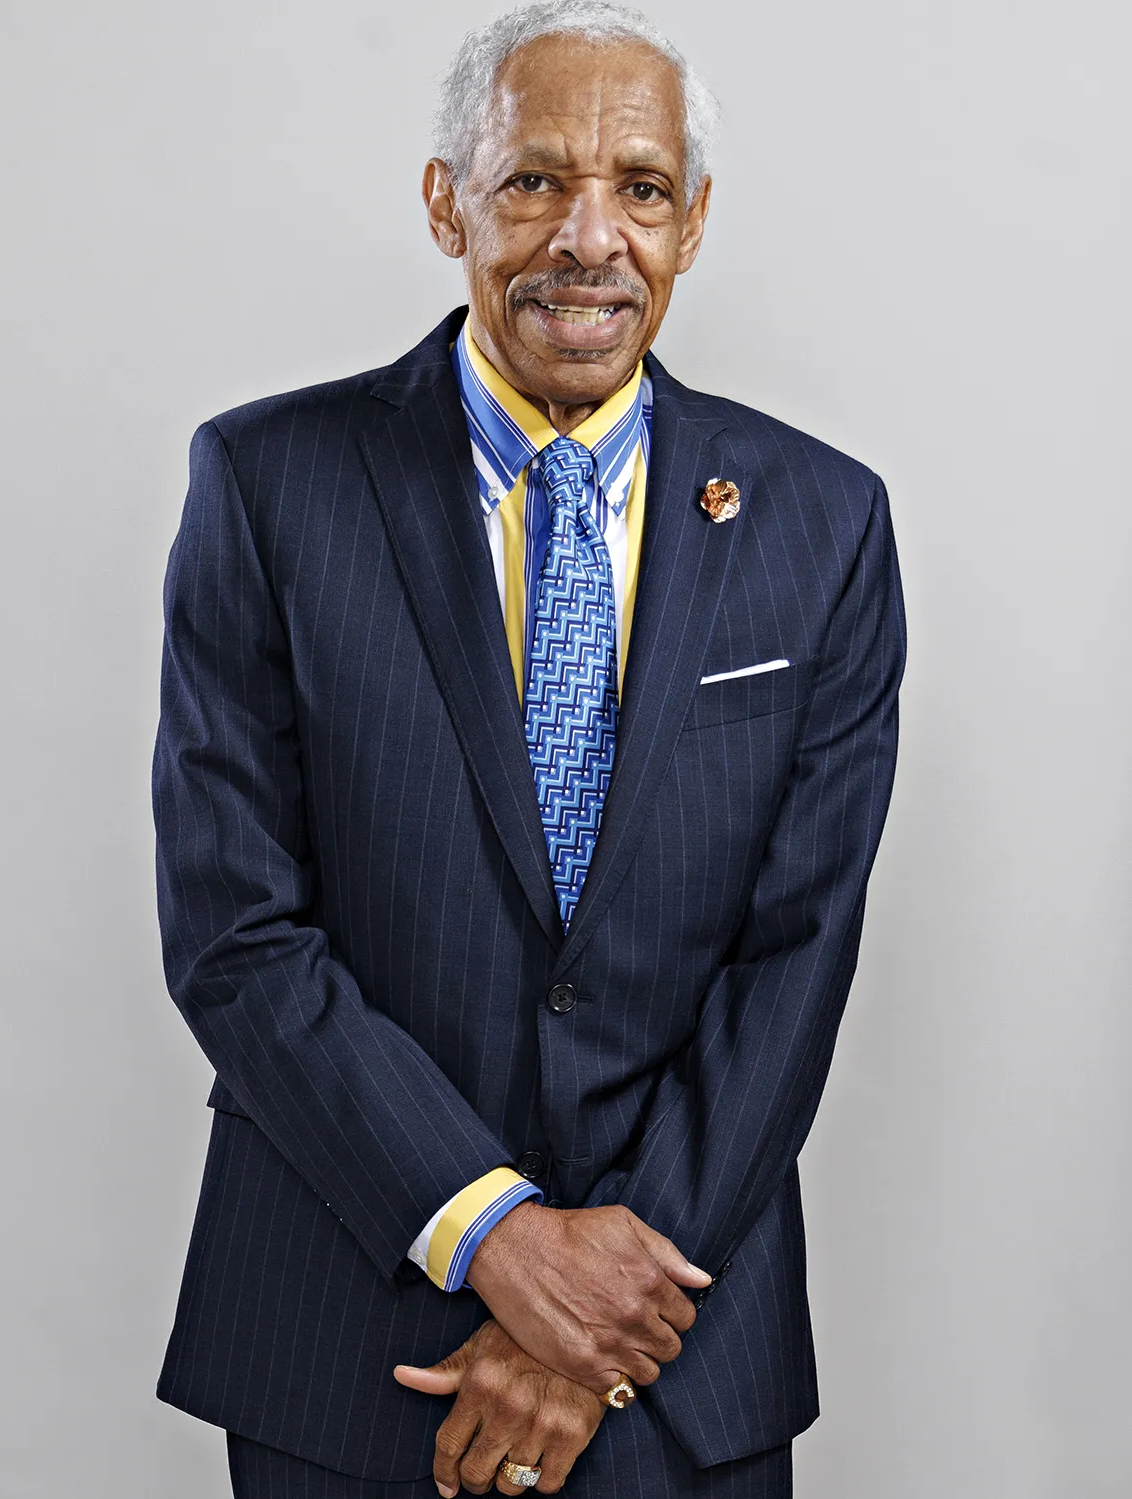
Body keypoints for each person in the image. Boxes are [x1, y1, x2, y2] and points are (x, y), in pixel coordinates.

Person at [150, 3, 904, 1495]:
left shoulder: (823, 525)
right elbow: (236, 931)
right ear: (446, 204)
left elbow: (793, 963)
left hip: (678, 1351)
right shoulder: (266, 484)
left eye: (637, 186)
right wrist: (493, 1233)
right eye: (531, 180)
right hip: (349, 1339)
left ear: (690, 222)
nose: (587, 237)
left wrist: (589, 1324)